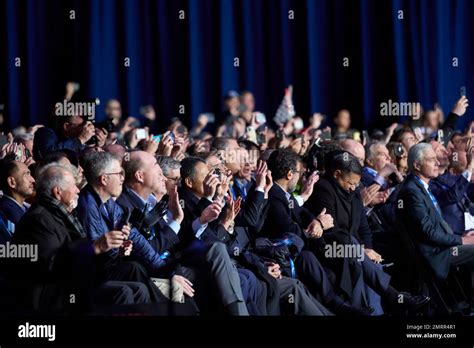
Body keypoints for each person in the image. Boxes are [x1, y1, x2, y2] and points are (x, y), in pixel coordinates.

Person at [8, 163, 150, 312]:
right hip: (56, 295)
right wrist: (95, 247)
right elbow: (53, 263)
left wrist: (115, 250)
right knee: (122, 292)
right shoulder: (39, 220)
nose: (78, 190)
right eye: (74, 186)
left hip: (76, 282)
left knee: (138, 289)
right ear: (58, 192)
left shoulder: (64, 215)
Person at [396, 143, 474, 280]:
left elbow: (436, 225)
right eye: (432, 159)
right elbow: (429, 233)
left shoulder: (421, 186)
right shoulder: (411, 192)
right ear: (417, 166)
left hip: (442, 247)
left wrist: (462, 235)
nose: (437, 163)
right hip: (436, 255)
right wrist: (462, 240)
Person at [0, 159, 35, 241]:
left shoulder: (24, 208)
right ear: (12, 182)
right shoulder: (5, 214)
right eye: (27, 174)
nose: (33, 180)